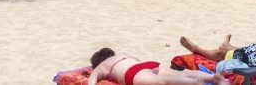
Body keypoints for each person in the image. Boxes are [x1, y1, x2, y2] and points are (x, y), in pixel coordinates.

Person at [88, 48, 223, 85]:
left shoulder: (103, 65)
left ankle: (193, 83)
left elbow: (94, 75)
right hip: (148, 64)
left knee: (161, 82)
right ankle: (212, 78)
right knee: (181, 73)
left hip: (132, 72)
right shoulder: (123, 54)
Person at [179, 35, 256, 67]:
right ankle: (227, 45)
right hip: (252, 52)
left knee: (219, 54)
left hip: (248, 60)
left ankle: (196, 49)